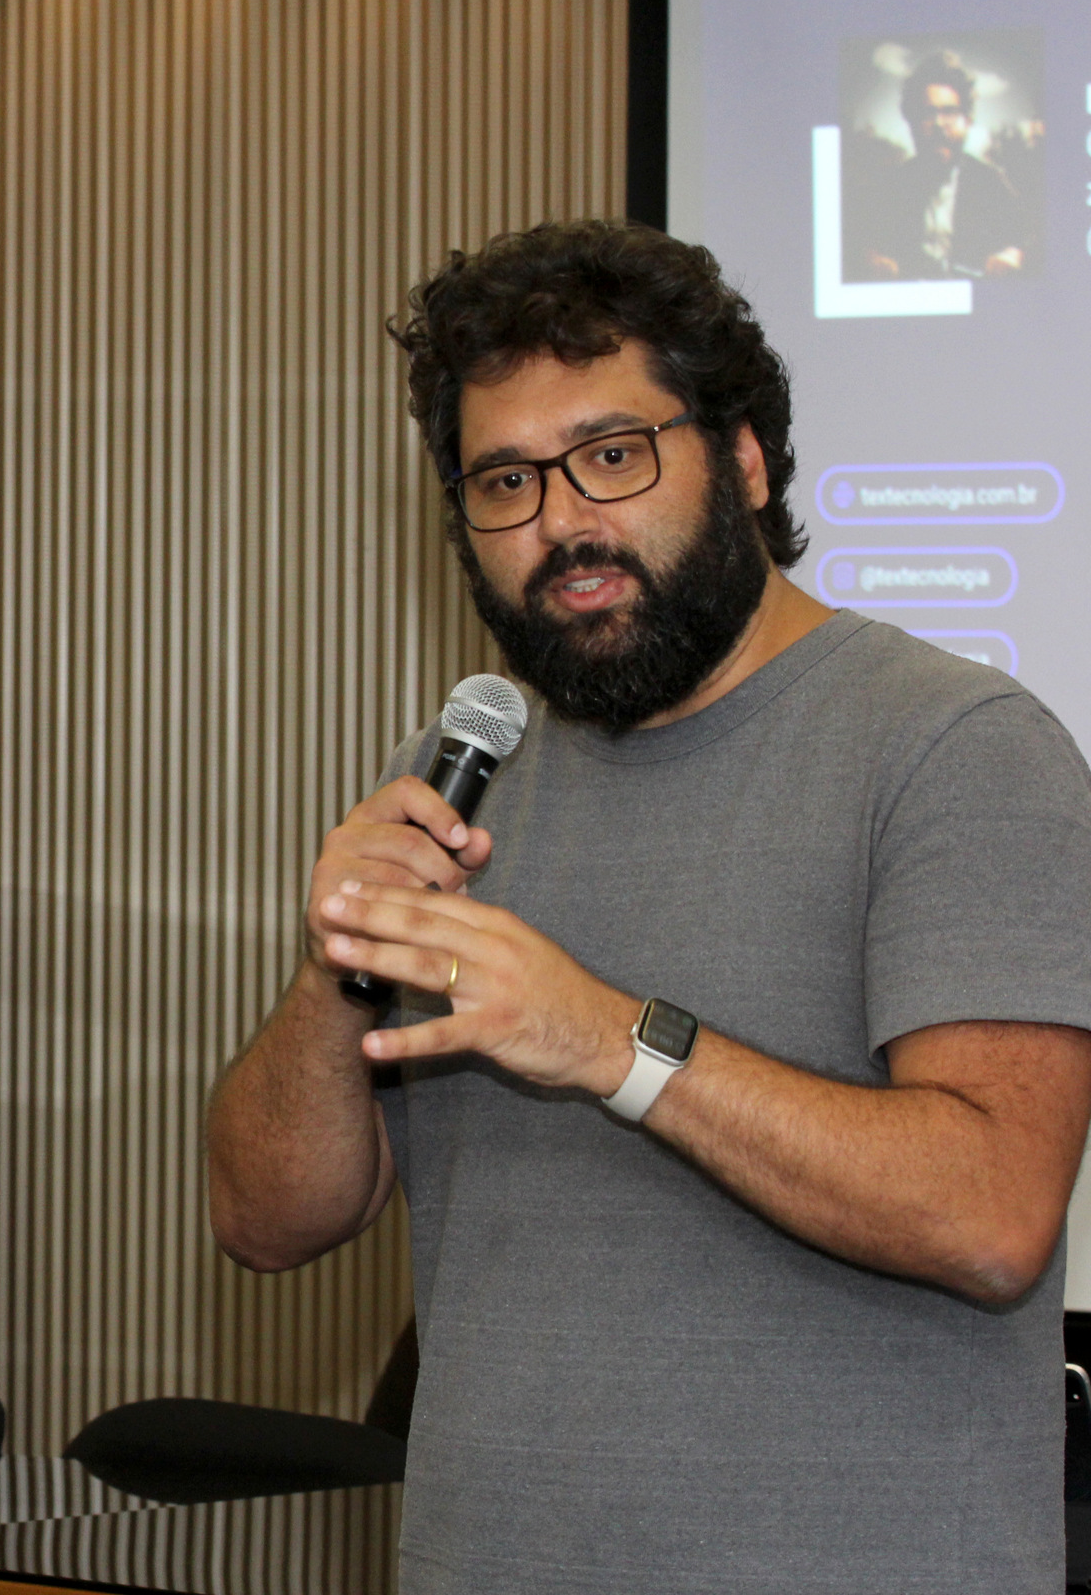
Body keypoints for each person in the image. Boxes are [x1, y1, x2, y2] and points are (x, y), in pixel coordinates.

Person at [206, 219, 1091, 1590]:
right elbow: (266, 1222)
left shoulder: (956, 746)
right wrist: (335, 969)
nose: (563, 522)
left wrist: (613, 1043)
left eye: (613, 455)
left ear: (744, 460)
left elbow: (990, 1218)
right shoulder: (454, 783)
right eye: (505, 480)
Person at [852, 50, 1028, 279]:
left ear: (968, 119)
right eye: (927, 113)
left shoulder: (991, 183)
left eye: (949, 112)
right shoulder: (888, 188)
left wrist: (1013, 254)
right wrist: (872, 258)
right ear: (911, 120)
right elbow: (864, 242)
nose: (938, 123)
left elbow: (1023, 238)